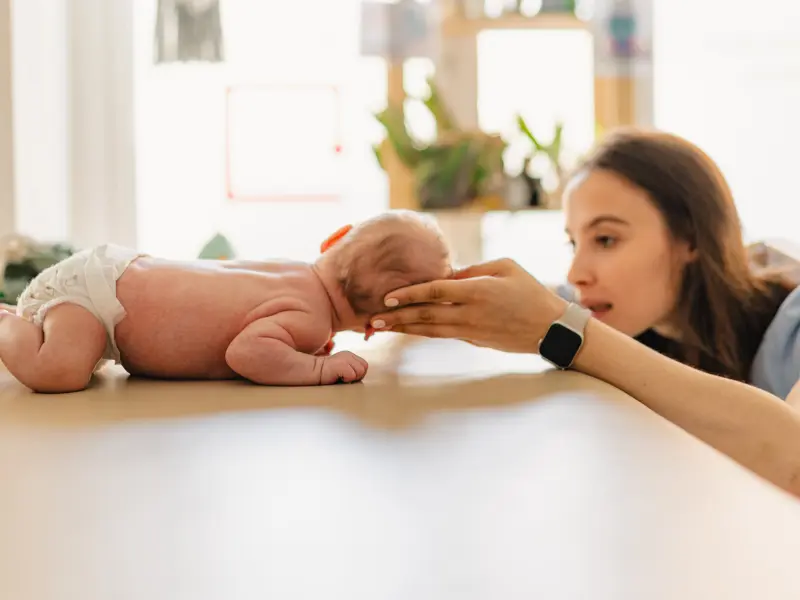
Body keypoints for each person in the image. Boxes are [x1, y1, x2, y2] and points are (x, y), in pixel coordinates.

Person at [368, 129, 800, 497]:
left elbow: (793, 459)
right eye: (573, 243)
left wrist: (565, 331)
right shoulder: (639, 317)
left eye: (606, 240)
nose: (577, 272)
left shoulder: (792, 322)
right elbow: (510, 303)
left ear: (690, 239)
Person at [0, 211, 451, 393]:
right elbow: (247, 353)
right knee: (58, 373)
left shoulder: (296, 274)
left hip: (112, 275)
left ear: (335, 240)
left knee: (77, 360)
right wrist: (314, 368)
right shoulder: (312, 319)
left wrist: (298, 350)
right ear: (377, 322)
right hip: (96, 301)